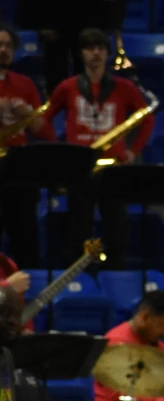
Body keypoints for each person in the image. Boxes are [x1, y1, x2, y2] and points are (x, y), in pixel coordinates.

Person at [44, 27, 153, 269]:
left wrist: (134, 150)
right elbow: (44, 119)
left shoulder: (124, 87)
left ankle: (115, 274)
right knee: (78, 227)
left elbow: (147, 119)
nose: (95, 53)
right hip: (80, 167)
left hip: (113, 168)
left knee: (117, 227)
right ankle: (77, 276)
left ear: (107, 53)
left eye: (100, 48)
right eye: (89, 48)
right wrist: (60, 150)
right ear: (81, 53)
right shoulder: (68, 86)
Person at [0, 23, 54, 270]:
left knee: (26, 242)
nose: (4, 50)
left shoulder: (25, 84)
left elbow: (44, 131)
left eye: (9, 45)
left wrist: (28, 113)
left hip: (19, 171)